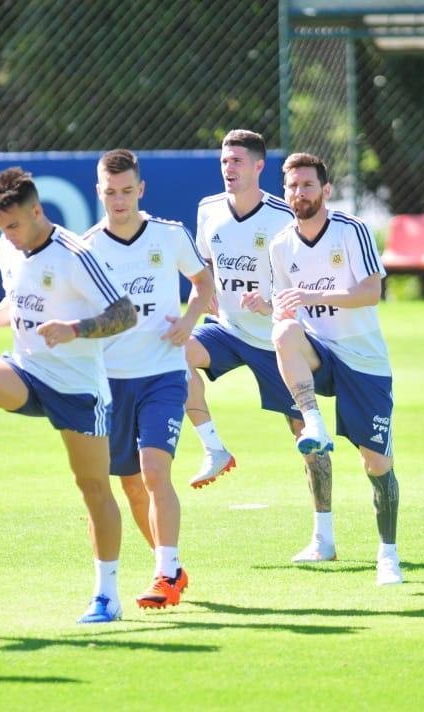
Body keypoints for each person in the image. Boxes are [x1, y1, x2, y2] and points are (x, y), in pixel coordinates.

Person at [0, 166, 136, 624]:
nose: (7, 236)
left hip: (76, 389)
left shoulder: (75, 254)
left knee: (93, 488)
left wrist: (74, 329)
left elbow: (125, 313)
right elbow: (19, 300)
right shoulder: (8, 246)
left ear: (36, 211)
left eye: (13, 225)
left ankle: (107, 595)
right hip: (26, 373)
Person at [186, 129, 338, 563]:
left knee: (307, 437)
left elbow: (307, 280)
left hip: (277, 339)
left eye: (237, 161)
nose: (228, 168)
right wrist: (207, 287)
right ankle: (215, 448)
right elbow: (206, 263)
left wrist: (271, 303)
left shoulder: (282, 217)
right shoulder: (208, 210)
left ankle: (323, 537)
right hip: (228, 331)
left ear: (258, 167)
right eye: (223, 161)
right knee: (173, 355)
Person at [85, 149, 214, 608]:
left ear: (140, 190)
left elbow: (203, 282)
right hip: (111, 382)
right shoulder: (87, 249)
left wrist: (190, 319)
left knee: (155, 471)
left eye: (126, 191)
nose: (119, 201)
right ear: (99, 192)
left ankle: (163, 572)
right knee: (131, 485)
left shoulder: (169, 235)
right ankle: (171, 568)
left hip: (162, 373)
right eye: (110, 193)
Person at [268, 152, 402, 585]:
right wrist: (271, 308)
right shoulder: (280, 244)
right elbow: (285, 310)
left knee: (377, 464)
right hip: (320, 352)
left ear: (325, 190)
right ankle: (314, 423)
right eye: (291, 186)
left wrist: (307, 296)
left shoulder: (352, 230)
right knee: (283, 334)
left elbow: (370, 292)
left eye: (307, 185)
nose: (299, 193)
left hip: (363, 360)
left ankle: (388, 555)